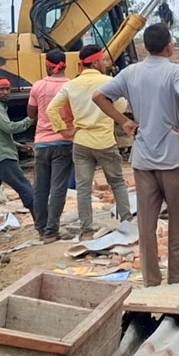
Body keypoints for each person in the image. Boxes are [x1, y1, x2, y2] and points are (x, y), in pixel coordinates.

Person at [93, 23, 179, 287]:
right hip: (174, 159)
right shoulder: (175, 71)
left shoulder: (131, 72)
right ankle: (176, 282)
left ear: (146, 46)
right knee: (178, 223)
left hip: (143, 159)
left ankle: (151, 281)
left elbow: (98, 96)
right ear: (169, 46)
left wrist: (124, 122)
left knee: (146, 227)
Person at [49, 45, 133, 242]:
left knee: (84, 187)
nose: (105, 63)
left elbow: (52, 109)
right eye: (103, 60)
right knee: (117, 182)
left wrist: (63, 130)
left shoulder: (71, 84)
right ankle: (127, 222)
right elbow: (121, 105)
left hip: (81, 141)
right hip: (104, 140)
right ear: (95, 62)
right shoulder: (108, 82)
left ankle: (86, 230)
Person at [0, 79, 36, 244]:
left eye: (7, 89)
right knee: (25, 189)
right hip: (1, 157)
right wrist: (30, 120)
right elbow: (9, 128)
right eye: (1, 89)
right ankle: (41, 227)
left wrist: (19, 146)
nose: (5, 92)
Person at [28, 50, 75, 244]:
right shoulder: (71, 85)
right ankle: (51, 231)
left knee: (40, 188)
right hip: (64, 141)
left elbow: (31, 114)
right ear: (64, 65)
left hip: (41, 142)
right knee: (58, 188)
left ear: (48, 65)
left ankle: (41, 229)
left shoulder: (38, 86)